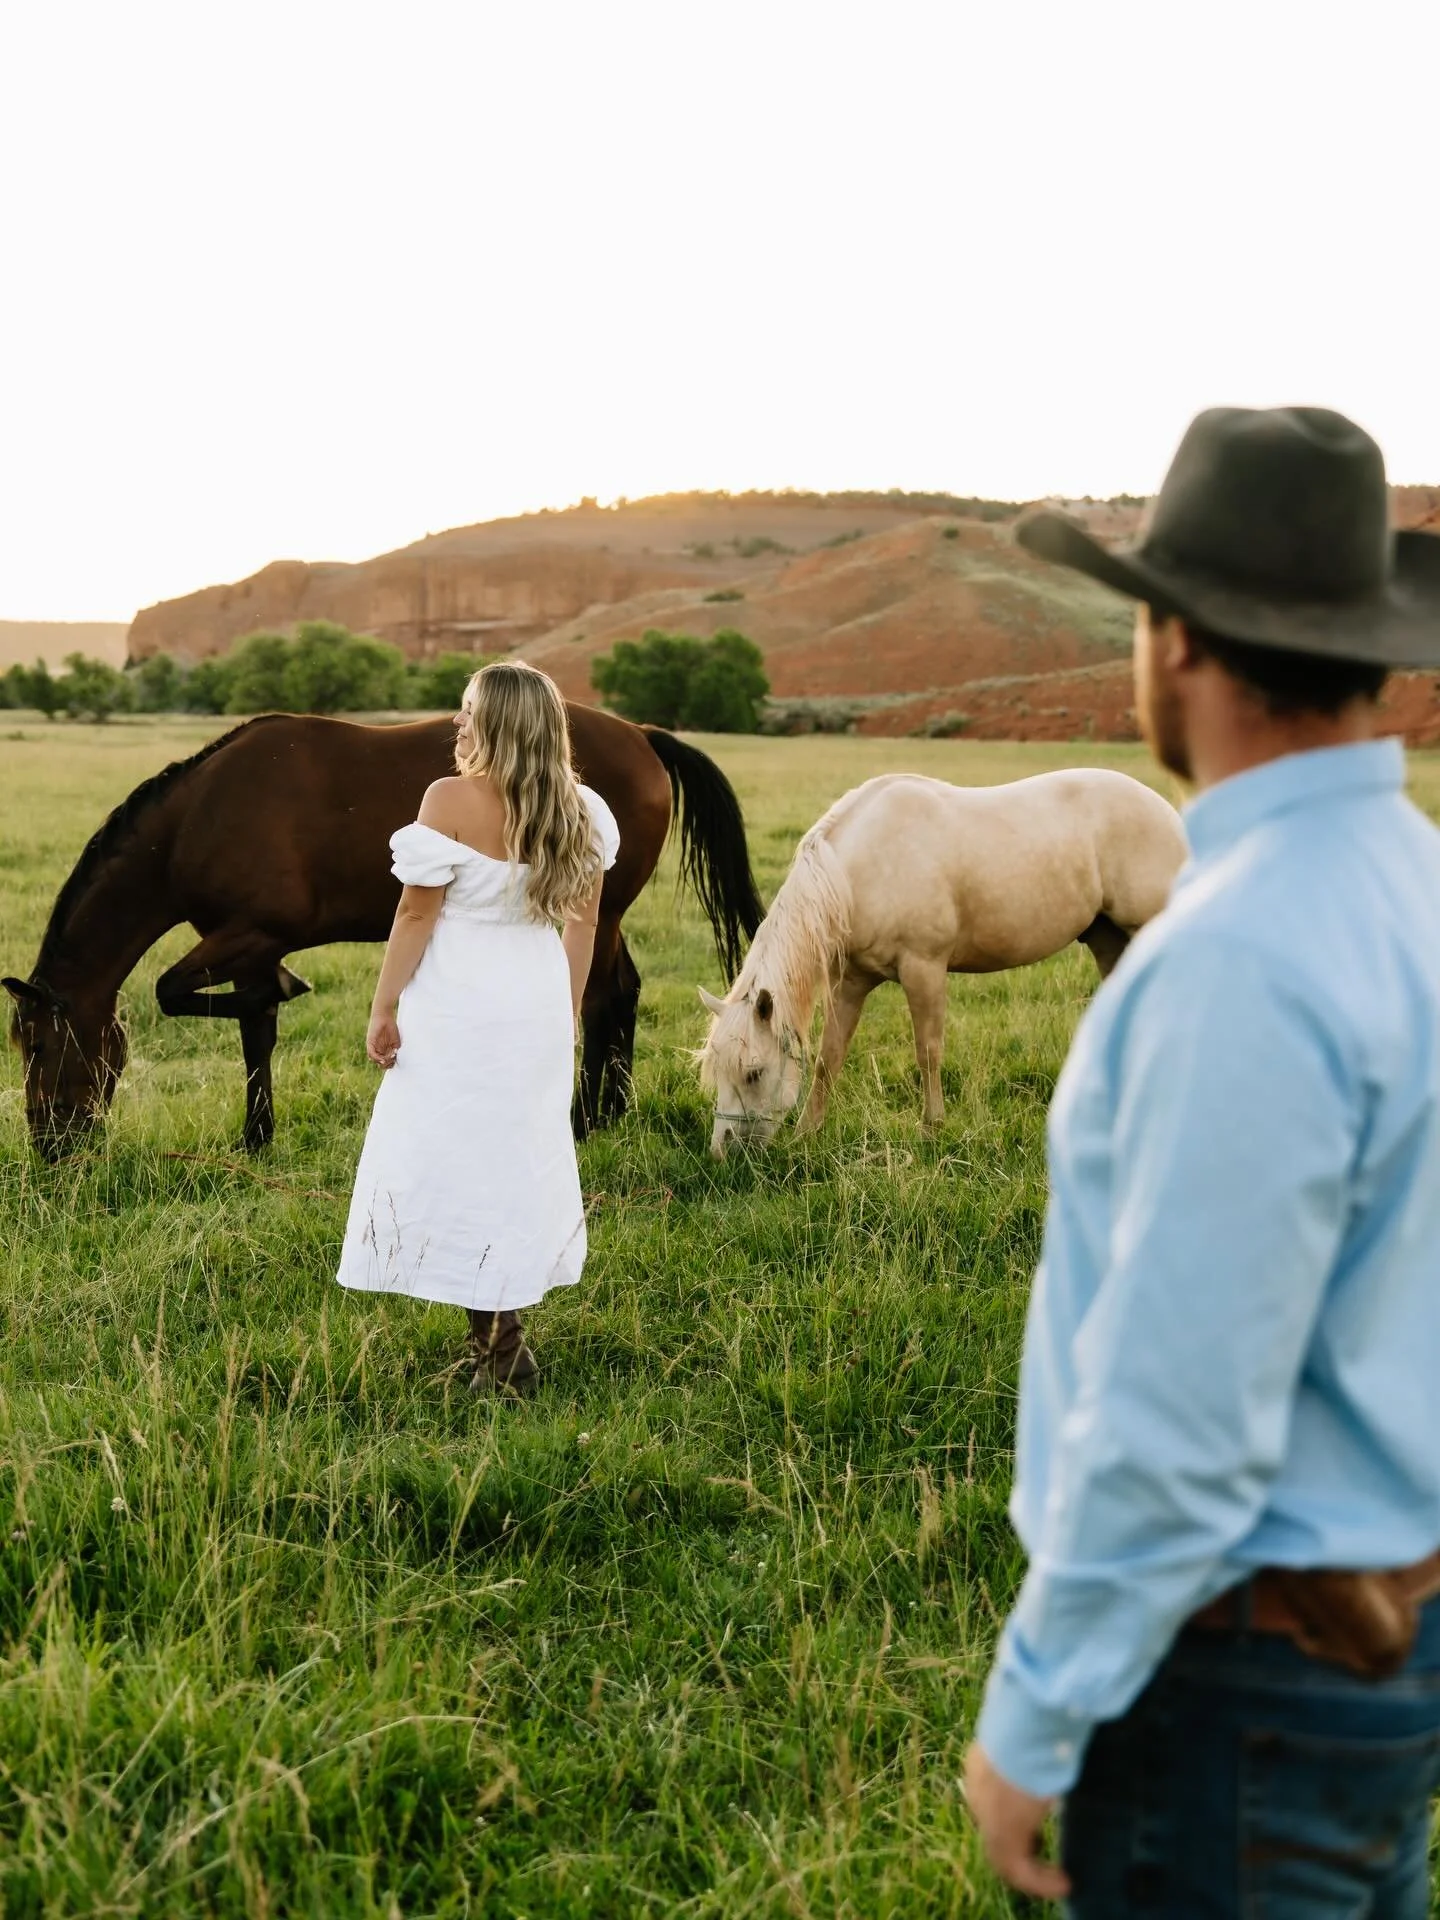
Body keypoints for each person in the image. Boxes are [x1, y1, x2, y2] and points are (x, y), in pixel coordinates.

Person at [963, 407, 1440, 1913]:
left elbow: (1181, 1418)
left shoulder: (1235, 956)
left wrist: (1038, 1709)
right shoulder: (1415, 893)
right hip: (1380, 1650)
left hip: (1236, 1682)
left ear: (1171, 644)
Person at [336, 659, 618, 1390]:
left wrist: (384, 1004)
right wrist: (565, 1012)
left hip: (459, 1001)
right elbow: (583, 928)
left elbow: (416, 912)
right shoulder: (581, 809)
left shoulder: (449, 798)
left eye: (467, 709)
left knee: (454, 1161)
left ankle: (502, 1350)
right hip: (534, 998)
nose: (457, 720)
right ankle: (502, 1342)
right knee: (514, 1162)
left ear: (496, 721)